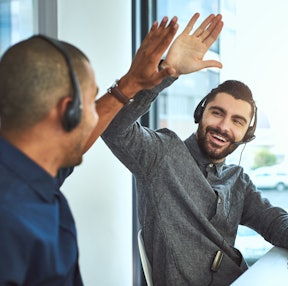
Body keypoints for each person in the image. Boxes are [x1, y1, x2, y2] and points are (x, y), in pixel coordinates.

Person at [101, 17, 288, 286]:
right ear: (201, 114)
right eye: (217, 113)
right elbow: (113, 128)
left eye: (237, 121)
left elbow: (271, 218)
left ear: (247, 135)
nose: (223, 126)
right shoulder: (161, 155)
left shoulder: (237, 179)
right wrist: (166, 73)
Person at [0, 13, 222, 285]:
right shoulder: (11, 220)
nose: (97, 116)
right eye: (90, 102)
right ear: (67, 112)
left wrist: (134, 81)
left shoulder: (28, 170)